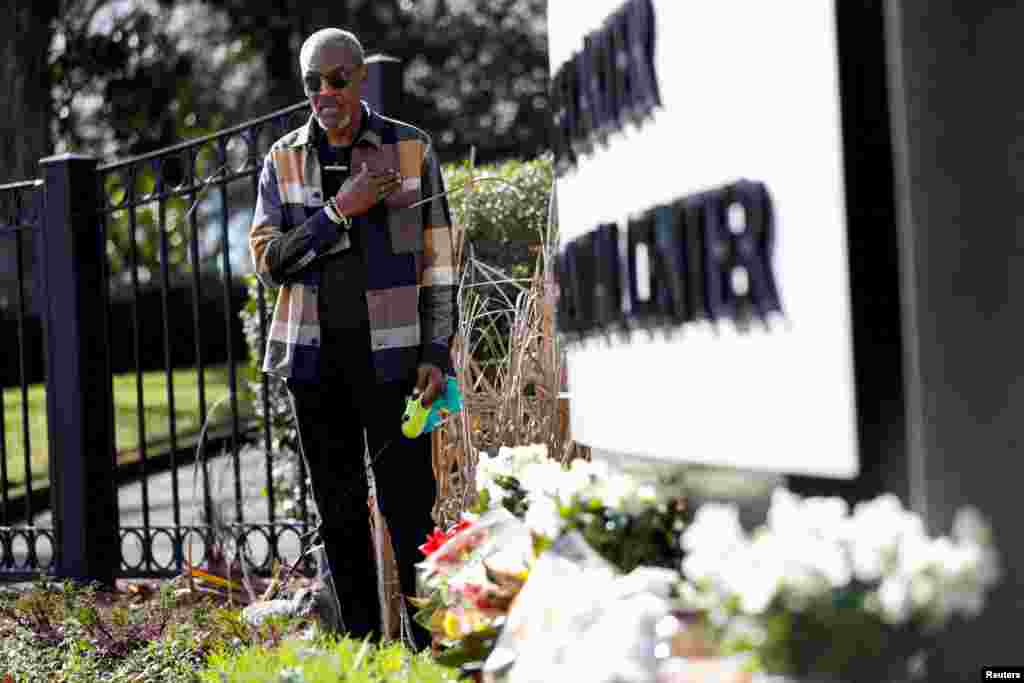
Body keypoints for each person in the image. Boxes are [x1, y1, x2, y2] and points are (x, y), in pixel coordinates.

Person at [249, 27, 456, 650]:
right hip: (313, 364)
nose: (324, 94)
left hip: (395, 362)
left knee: (411, 511)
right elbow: (269, 261)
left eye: (337, 80)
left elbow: (440, 264)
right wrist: (341, 210)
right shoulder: (283, 158)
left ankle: (427, 651)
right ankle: (364, 651)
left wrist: (436, 353)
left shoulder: (410, 149)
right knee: (338, 515)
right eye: (313, 82)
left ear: (360, 78)